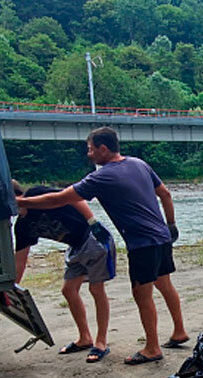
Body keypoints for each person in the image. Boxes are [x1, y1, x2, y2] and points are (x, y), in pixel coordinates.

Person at [17, 126, 189, 365]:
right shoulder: (139, 164)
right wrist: (170, 225)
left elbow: (60, 198)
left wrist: (19, 201)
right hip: (161, 236)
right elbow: (166, 194)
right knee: (164, 283)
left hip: (142, 242)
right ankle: (179, 331)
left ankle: (152, 348)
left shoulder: (102, 176)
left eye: (90, 149)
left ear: (103, 149)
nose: (89, 154)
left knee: (142, 293)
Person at [13, 181, 115, 362]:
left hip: (92, 237)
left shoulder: (36, 195)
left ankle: (101, 342)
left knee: (96, 289)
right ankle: (84, 338)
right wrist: (12, 289)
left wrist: (92, 220)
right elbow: (20, 260)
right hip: (75, 247)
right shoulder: (21, 226)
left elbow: (73, 197)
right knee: (68, 290)